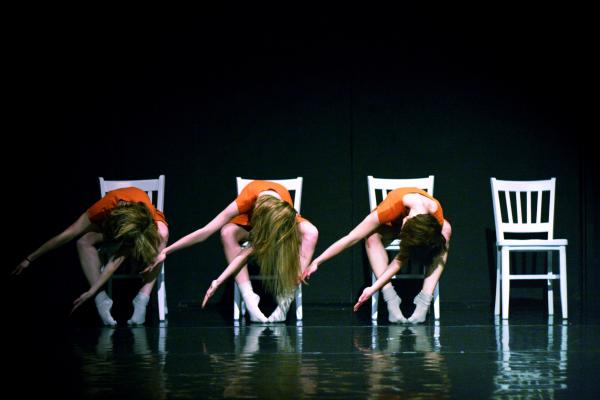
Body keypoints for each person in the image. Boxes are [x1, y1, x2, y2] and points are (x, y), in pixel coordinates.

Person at [153, 180, 318, 323]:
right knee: (227, 232)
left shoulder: (284, 212)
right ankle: (249, 297)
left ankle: (286, 297)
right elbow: (205, 232)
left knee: (311, 232)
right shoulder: (247, 199)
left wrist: (219, 280)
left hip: (276, 219)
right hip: (252, 221)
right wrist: (167, 251)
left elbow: (248, 251)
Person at [13, 187, 169, 326]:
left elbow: (116, 260)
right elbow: (68, 234)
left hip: (139, 226)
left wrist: (90, 290)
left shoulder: (142, 220)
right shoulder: (104, 207)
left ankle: (142, 299)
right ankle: (101, 300)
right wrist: (30, 258)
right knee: (83, 241)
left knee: (163, 233)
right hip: (114, 225)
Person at [302, 187, 451, 324]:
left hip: (418, 229)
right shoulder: (391, 207)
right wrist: (318, 261)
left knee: (446, 229)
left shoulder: (434, 217)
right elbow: (352, 237)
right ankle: (391, 300)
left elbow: (401, 258)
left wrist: (372, 288)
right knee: (371, 236)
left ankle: (423, 303)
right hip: (391, 224)